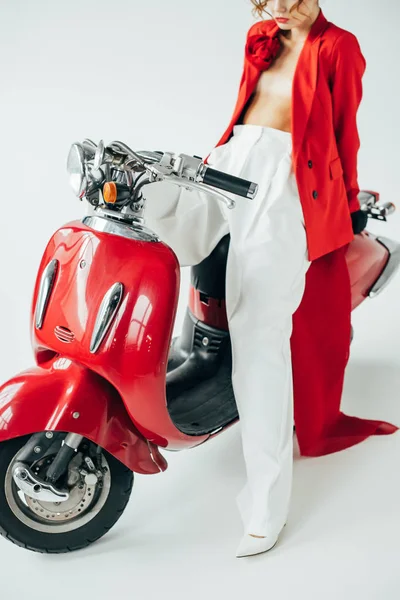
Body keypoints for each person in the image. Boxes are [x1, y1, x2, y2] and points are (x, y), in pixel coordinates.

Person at [143, 0, 399, 559]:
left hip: (288, 188)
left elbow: (343, 128)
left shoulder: (340, 46)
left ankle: (266, 498)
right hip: (228, 164)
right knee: (143, 227)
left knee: (259, 330)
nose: (278, 8)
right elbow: (241, 112)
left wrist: (349, 205)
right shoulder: (261, 34)